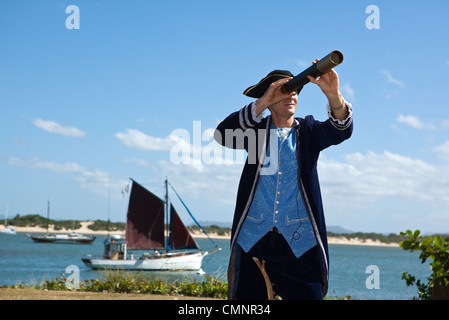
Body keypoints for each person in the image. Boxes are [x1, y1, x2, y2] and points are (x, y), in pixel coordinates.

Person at [214, 60, 353, 300]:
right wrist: (264, 101)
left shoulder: (309, 131)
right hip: (253, 242)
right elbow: (222, 135)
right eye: (284, 91)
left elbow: (341, 130)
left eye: (296, 91)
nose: (292, 96)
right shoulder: (255, 134)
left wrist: (334, 95)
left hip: (301, 245)